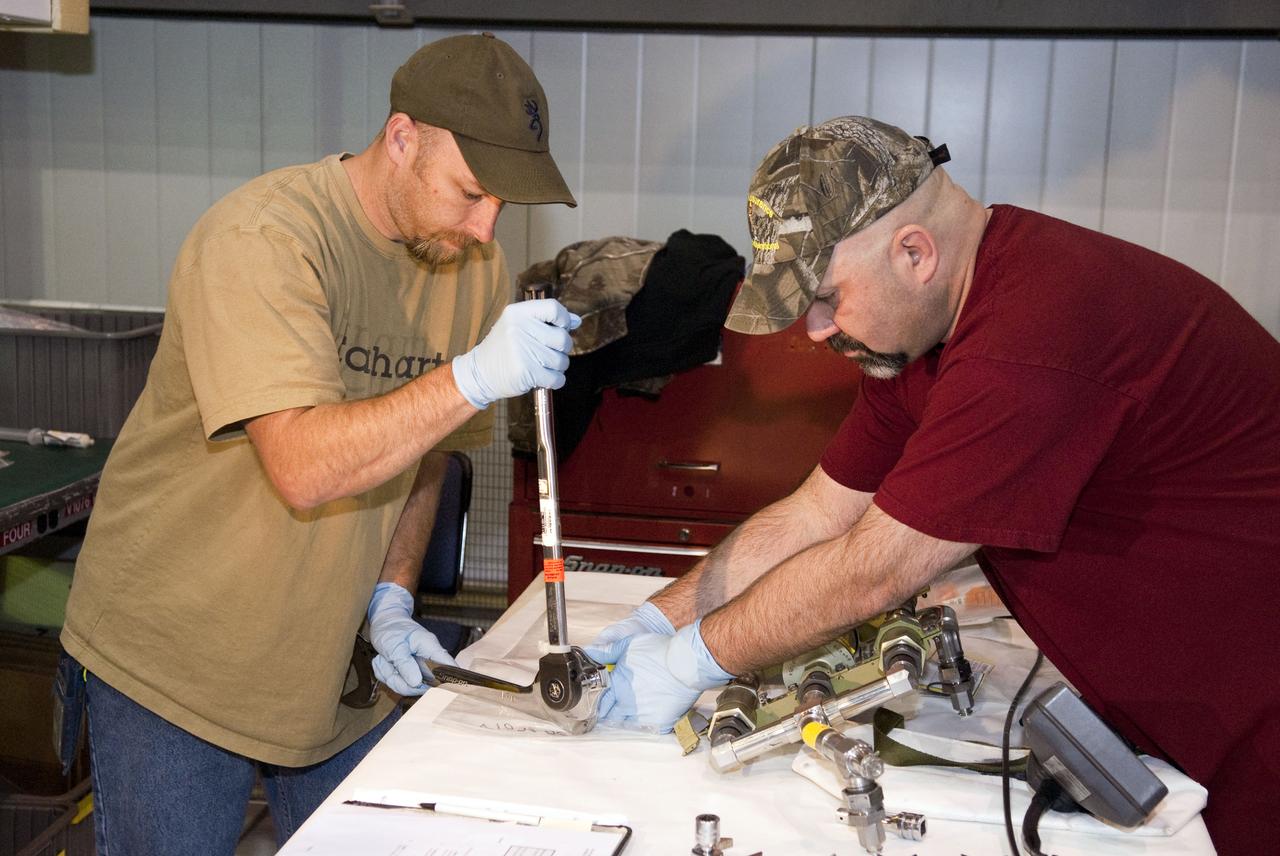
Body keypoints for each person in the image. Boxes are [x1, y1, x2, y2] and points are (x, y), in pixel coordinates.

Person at [587, 116, 1280, 856]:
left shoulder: (1032, 336)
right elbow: (820, 512)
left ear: (914, 253)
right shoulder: (922, 331)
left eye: (826, 297)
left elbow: (873, 572)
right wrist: (657, 622)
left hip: (1256, 719)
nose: (816, 331)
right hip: (1176, 701)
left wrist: (695, 660)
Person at [59, 33, 581, 853]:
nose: (486, 229)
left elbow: (430, 453)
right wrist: (472, 377)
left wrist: (392, 598)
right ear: (401, 138)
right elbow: (303, 468)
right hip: (177, 670)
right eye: (470, 193)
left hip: (331, 672)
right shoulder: (266, 239)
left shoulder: (471, 266)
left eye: (503, 206)